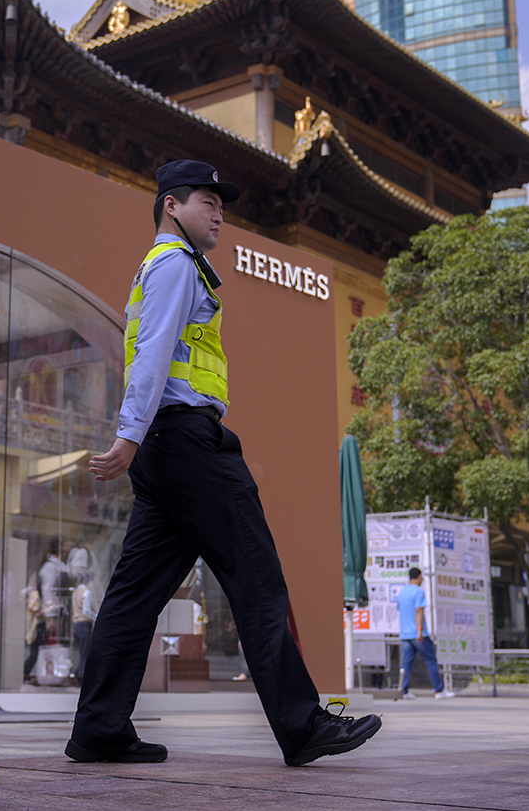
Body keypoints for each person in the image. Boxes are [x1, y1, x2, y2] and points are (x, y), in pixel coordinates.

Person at [68, 160, 382, 767]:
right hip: (186, 442)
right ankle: (302, 724)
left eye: (223, 204)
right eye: (207, 201)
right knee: (257, 580)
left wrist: (139, 440)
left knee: (134, 595)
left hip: (166, 449)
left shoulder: (161, 269)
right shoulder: (175, 266)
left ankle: (99, 728)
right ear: (170, 206)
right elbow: (154, 354)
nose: (220, 213)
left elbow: (152, 353)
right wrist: (129, 434)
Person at [396, 568, 455, 699]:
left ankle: (403, 691)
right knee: (431, 661)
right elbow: (418, 611)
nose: (422, 579)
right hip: (417, 633)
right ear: (419, 576)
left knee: (406, 664)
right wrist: (419, 630)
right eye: (421, 577)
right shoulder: (418, 591)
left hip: (405, 634)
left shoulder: (402, 592)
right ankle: (439, 690)